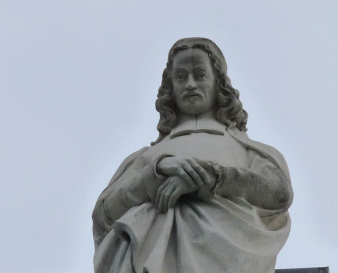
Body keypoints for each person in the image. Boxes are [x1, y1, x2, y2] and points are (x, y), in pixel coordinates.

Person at [92, 37, 293, 273]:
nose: (190, 84)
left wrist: (211, 177)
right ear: (170, 87)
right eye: (180, 77)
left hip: (227, 258)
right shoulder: (147, 158)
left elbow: (279, 193)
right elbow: (104, 215)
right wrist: (154, 176)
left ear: (219, 84)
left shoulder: (248, 149)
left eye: (200, 75)